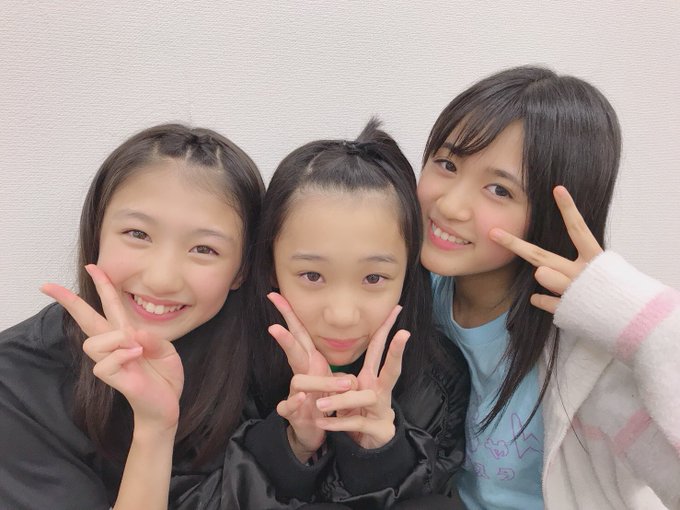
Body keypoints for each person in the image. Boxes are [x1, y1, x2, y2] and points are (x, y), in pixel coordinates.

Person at [417, 65, 680, 509]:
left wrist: (636, 314)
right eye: (447, 164)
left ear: (551, 216)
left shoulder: (587, 355)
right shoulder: (412, 290)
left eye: (499, 190)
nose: (450, 204)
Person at [0, 124, 265, 509]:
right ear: (97, 234)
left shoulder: (261, 357)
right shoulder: (16, 380)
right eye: (138, 234)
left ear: (241, 270)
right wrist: (154, 430)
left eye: (204, 249)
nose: (161, 279)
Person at [231, 119, 470, 508]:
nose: (342, 316)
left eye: (374, 277)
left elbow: (433, 496)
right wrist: (292, 443)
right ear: (271, 266)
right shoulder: (232, 361)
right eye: (312, 275)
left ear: (408, 273)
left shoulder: (439, 380)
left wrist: (382, 451)